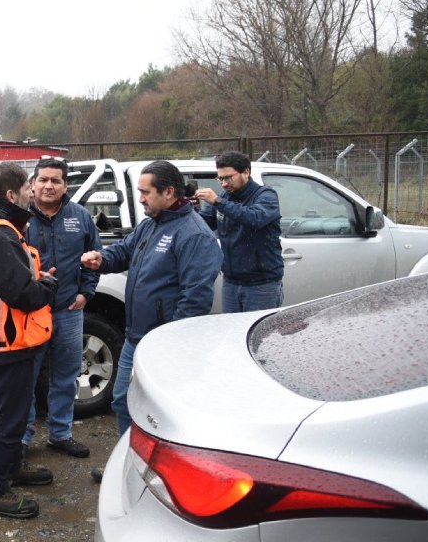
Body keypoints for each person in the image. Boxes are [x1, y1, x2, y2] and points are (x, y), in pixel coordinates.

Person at [81, 161, 222, 435]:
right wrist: (101, 259)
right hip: (135, 337)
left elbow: (195, 300)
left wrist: (168, 342)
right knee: (123, 402)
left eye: (145, 192)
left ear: (168, 192)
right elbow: (123, 251)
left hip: (163, 345)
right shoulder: (150, 225)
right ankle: (129, 456)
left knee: (158, 413)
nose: (141, 198)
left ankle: (153, 459)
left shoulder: (194, 235)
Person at [0, 162, 59, 519]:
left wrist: (33, 279)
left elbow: (8, 281)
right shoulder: (0, 232)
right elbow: (21, 294)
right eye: (28, 188)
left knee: (13, 417)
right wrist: (46, 286)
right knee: (7, 419)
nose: (33, 193)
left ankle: (10, 468)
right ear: (11, 194)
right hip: (4, 342)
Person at [19, 158, 101, 460]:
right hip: (31, 313)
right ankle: (22, 438)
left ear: (66, 185)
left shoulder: (80, 217)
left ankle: (60, 434)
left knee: (66, 376)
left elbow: (95, 255)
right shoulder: (19, 217)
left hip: (68, 309)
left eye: (55, 180)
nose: (48, 185)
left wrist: (86, 293)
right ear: (32, 184)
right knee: (25, 378)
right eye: (43, 180)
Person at [194, 151, 284, 312]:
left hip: (261, 284)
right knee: (231, 328)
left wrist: (218, 202)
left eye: (228, 178)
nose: (224, 184)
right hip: (231, 282)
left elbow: (255, 218)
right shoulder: (226, 197)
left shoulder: (266, 195)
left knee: (258, 328)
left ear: (246, 172)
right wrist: (187, 208)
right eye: (220, 179)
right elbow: (201, 224)